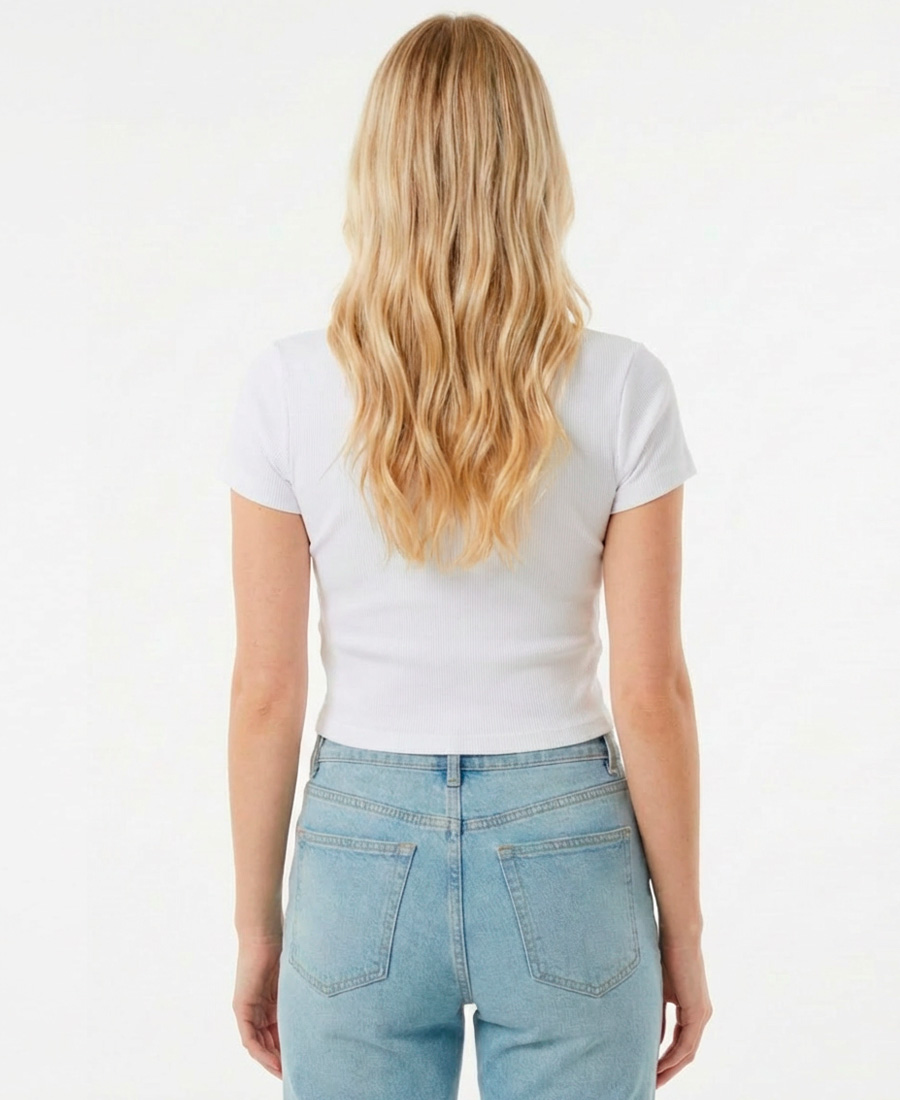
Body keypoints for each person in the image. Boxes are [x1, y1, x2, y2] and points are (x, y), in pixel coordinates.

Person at [218, 13, 712, 1099]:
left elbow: (265, 690)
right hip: (570, 844)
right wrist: (683, 931)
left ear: (377, 170)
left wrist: (258, 928)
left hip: (357, 849)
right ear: (536, 170)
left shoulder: (287, 388)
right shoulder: (623, 386)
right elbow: (650, 690)